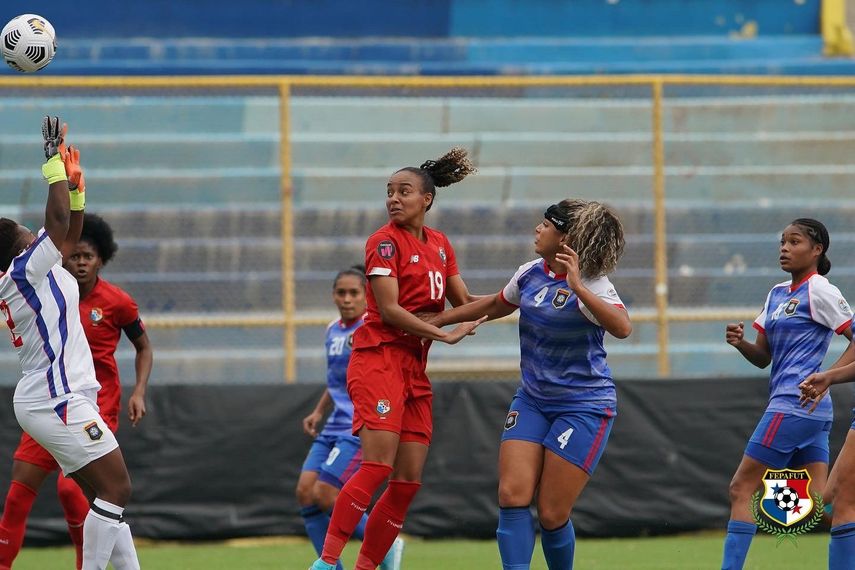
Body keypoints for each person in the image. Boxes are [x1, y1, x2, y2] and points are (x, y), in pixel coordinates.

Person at [419, 198, 630, 570]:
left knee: (550, 513)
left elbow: (622, 328)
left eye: (546, 224)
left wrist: (578, 286)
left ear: (565, 237)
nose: (538, 229)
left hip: (584, 407)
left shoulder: (594, 282)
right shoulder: (530, 273)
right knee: (511, 494)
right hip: (533, 400)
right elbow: (496, 304)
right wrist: (434, 320)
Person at [310, 147, 487, 570]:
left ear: (426, 198)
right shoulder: (383, 243)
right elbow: (390, 311)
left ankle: (367, 566)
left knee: (407, 482)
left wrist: (517, 298)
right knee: (376, 466)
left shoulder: (441, 245)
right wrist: (441, 333)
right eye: (389, 191)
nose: (393, 198)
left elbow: (464, 301)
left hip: (413, 368)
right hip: (378, 359)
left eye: (403, 191)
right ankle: (327, 561)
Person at [0, 117, 140, 570]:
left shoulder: (39, 268)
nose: (36, 232)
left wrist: (76, 190)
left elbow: (67, 229)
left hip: (58, 393)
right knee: (117, 489)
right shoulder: (21, 272)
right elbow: (57, 222)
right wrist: (52, 163)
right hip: (56, 395)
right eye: (27, 231)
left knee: (105, 496)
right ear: (17, 248)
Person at [720, 218, 853, 570]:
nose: (784, 248)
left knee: (741, 488)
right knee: (819, 504)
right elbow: (763, 357)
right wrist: (741, 344)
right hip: (810, 410)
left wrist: (828, 376)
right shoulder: (777, 294)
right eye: (782, 242)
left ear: (817, 250)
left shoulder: (821, 290)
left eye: (794, 242)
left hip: (794, 405)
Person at [297, 265, 403, 570]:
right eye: (341, 292)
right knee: (305, 492)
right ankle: (331, 565)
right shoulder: (332, 330)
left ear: (366, 295)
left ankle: (385, 543)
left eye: (354, 292)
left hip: (357, 425)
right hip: (333, 423)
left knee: (326, 494)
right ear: (333, 295)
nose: (347, 299)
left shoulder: (370, 329)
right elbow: (339, 379)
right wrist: (319, 410)